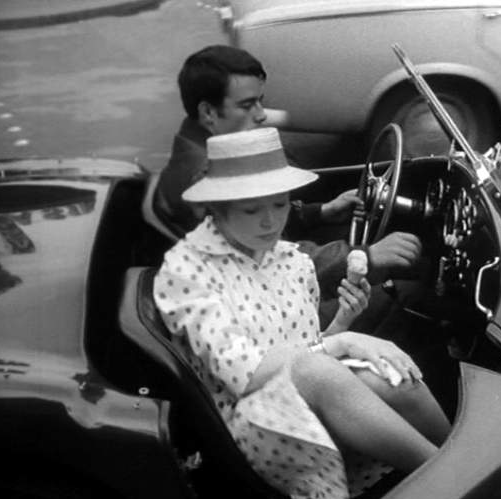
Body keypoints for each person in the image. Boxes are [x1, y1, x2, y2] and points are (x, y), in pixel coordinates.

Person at [153, 128, 450, 499]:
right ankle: (451, 482)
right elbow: (247, 373)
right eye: (251, 210)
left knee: (386, 373)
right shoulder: (186, 271)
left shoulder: (292, 260)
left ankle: (467, 459)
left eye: (279, 204)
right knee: (326, 366)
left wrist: (343, 321)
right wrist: (345, 341)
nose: (270, 221)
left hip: (301, 395)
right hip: (239, 428)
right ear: (217, 209)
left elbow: (308, 348)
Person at [154, 45, 424, 311]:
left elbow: (256, 220)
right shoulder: (206, 177)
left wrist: (320, 212)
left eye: (260, 101)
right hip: (261, 303)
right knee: (409, 297)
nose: (261, 114)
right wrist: (366, 257)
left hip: (262, 283)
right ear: (208, 113)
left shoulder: (211, 151)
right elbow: (272, 260)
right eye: (247, 105)